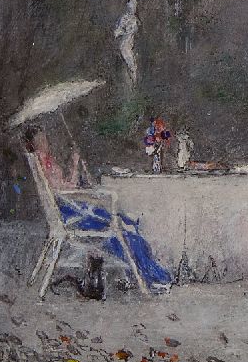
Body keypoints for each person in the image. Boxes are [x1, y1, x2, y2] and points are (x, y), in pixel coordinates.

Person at [24, 125, 172, 292]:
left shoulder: (44, 160)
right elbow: (65, 191)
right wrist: (82, 178)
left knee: (124, 228)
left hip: (70, 209)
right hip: (72, 213)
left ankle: (147, 273)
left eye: (44, 138)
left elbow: (67, 187)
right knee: (124, 234)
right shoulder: (43, 162)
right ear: (32, 143)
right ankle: (153, 277)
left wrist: (75, 163)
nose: (45, 142)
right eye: (40, 140)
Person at [114, 0, 140, 83]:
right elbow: (116, 32)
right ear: (128, 7)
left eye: (135, 6)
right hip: (125, 46)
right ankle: (132, 84)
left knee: (133, 66)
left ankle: (134, 84)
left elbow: (136, 31)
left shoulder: (135, 19)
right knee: (131, 66)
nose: (133, 8)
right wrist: (125, 31)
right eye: (132, 6)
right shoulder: (124, 19)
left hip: (132, 45)